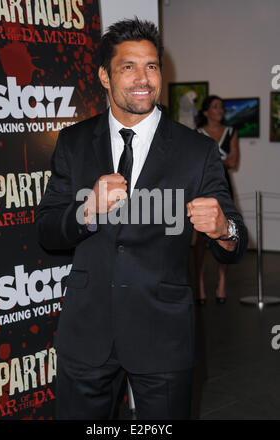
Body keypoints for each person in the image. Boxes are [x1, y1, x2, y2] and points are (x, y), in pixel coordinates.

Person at [36, 19, 248, 420]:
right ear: (104, 75)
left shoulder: (196, 151)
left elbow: (236, 244)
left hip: (162, 335)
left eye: (151, 66)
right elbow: (48, 231)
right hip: (88, 334)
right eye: (128, 66)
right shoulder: (74, 142)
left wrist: (224, 229)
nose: (143, 79)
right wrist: (86, 210)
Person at [195, 95, 240, 304]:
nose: (220, 110)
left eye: (221, 107)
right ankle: (200, 284)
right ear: (205, 112)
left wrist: (211, 163)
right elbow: (224, 161)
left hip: (223, 186)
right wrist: (219, 162)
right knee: (200, 239)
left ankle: (222, 282)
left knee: (226, 231)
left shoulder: (230, 132)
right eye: (215, 106)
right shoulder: (197, 134)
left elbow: (233, 161)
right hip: (201, 186)